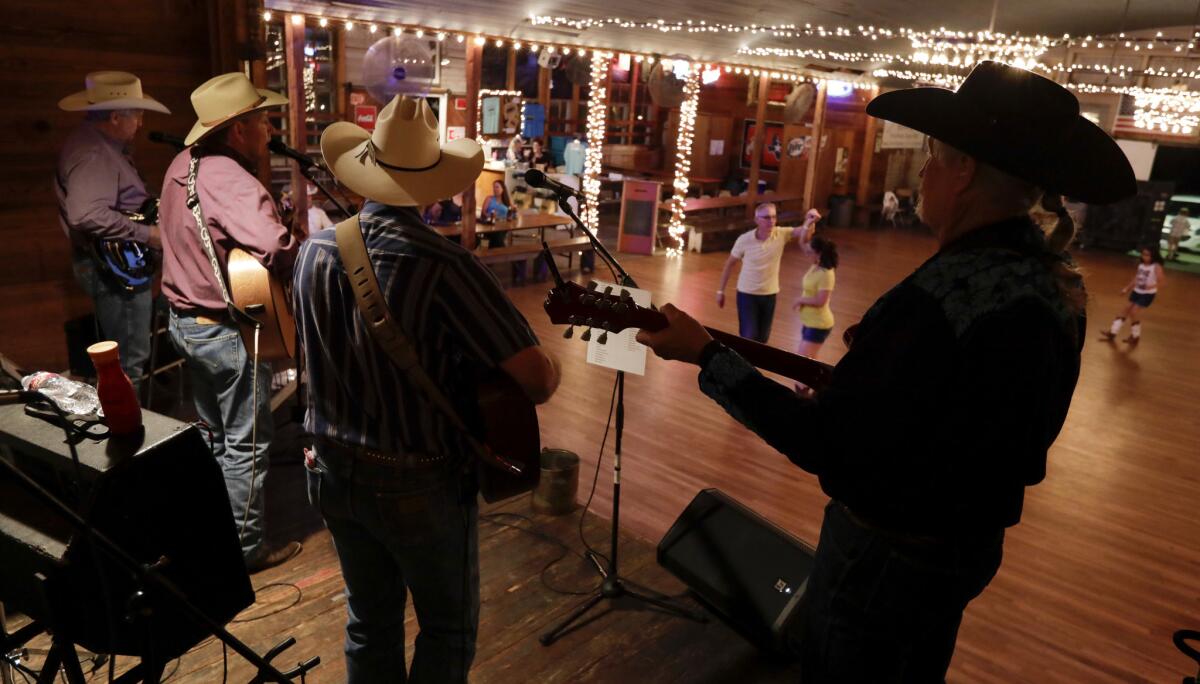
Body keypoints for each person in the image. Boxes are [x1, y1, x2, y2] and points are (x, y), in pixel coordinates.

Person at [635, 61, 1135, 681]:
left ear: (965, 171)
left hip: (887, 558)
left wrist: (707, 358)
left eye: (933, 156)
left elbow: (830, 446)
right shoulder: (1053, 286)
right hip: (962, 551)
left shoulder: (937, 300)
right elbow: (965, 425)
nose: (923, 172)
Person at [295, 95, 561, 682]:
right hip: (416, 476)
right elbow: (536, 381)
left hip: (330, 466)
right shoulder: (444, 265)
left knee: (369, 621)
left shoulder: (312, 254)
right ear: (432, 185)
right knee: (447, 628)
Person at [159, 73, 303, 573]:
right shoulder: (234, 181)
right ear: (237, 130)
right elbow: (276, 247)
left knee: (218, 437)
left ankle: (215, 532)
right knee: (247, 443)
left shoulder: (182, 164)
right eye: (262, 120)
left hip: (184, 322)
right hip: (224, 332)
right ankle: (244, 551)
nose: (268, 128)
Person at [56, 71, 169, 386]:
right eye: (138, 115)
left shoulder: (99, 145)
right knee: (129, 363)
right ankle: (129, 428)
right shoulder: (93, 152)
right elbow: (85, 213)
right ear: (117, 116)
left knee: (129, 356)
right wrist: (149, 234)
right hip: (114, 271)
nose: (142, 123)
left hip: (118, 266)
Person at [716, 204, 820, 343]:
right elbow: (729, 264)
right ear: (757, 220)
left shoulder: (781, 234)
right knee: (749, 336)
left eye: (773, 217)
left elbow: (805, 234)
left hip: (769, 294)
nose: (771, 221)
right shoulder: (744, 240)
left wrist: (810, 221)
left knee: (763, 338)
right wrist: (720, 291)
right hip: (747, 294)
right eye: (766, 217)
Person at [791, 235, 838, 395]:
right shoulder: (816, 264)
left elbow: (821, 301)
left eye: (810, 252)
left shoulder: (826, 273)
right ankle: (815, 393)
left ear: (818, 253)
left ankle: (803, 396)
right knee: (809, 361)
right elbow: (801, 242)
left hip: (818, 324)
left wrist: (800, 299)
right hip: (810, 322)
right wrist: (808, 222)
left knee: (802, 364)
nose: (807, 254)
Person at [1100, 246, 1165, 346]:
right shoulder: (1141, 265)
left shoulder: (1156, 266)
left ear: (1153, 256)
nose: (1144, 257)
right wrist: (1126, 288)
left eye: (1147, 255)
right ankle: (1113, 332)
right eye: (1143, 254)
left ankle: (1135, 336)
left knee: (1134, 312)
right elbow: (1136, 279)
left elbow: (1161, 282)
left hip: (1147, 294)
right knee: (1126, 309)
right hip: (1137, 291)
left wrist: (1150, 286)